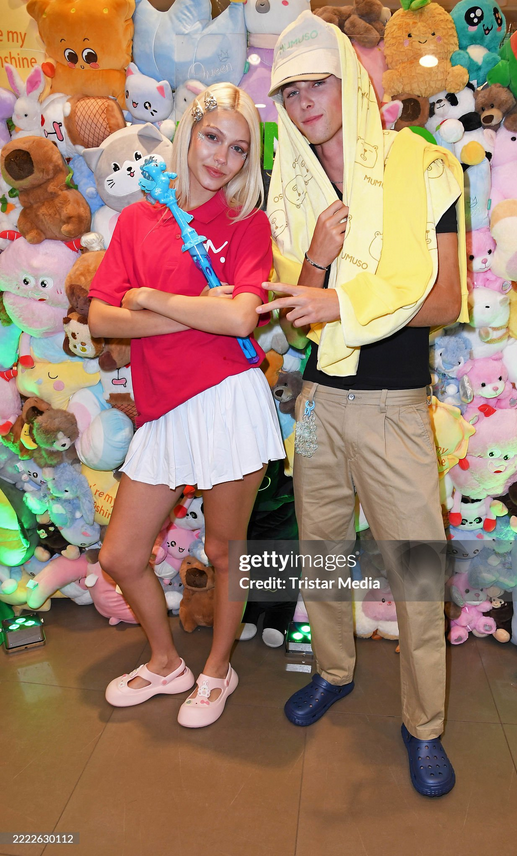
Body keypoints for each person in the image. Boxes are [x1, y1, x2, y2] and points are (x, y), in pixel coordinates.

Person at [257, 11, 467, 796]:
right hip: (318, 403)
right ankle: (333, 671)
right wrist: (315, 259)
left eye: (317, 83)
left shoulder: (422, 165)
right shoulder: (293, 191)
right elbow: (293, 318)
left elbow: (444, 300)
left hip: (394, 407)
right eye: (290, 91)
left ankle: (425, 727)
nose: (305, 101)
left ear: (349, 79)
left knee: (418, 575)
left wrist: (344, 303)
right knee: (320, 551)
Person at [88, 83, 285, 728]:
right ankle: (167, 662)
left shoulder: (247, 223)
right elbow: (100, 318)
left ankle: (218, 670)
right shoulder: (137, 221)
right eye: (212, 138)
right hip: (163, 407)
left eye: (238, 148)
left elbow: (241, 320)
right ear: (187, 136)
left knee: (225, 552)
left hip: (230, 400)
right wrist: (200, 312)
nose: (221, 158)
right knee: (120, 556)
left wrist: (150, 299)